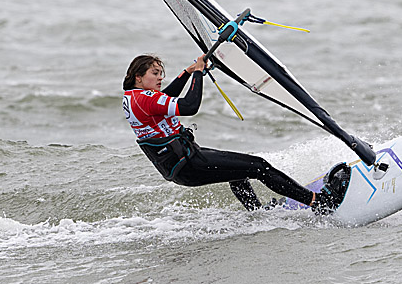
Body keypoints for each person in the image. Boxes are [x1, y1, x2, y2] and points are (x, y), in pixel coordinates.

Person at [122, 53, 350, 214]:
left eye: (162, 73)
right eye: (155, 73)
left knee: (237, 171)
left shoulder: (134, 98)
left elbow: (166, 97)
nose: (160, 78)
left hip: (180, 166)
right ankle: (321, 202)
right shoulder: (146, 99)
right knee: (260, 166)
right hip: (189, 162)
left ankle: (257, 214)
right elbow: (189, 106)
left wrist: (188, 72)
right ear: (138, 77)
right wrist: (199, 74)